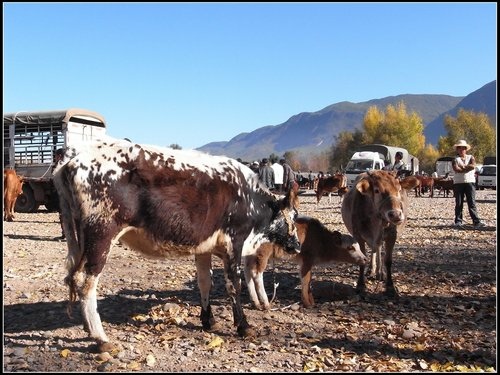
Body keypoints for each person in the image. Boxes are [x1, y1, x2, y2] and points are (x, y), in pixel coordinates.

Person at [451, 140, 485, 229]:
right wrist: (467, 168)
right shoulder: (454, 159)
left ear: (466, 149)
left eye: (463, 148)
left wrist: (462, 168)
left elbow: (473, 166)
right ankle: (458, 221)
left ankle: (476, 221)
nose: (461, 150)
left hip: (470, 182)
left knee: (472, 202)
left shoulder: (471, 157)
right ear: (457, 150)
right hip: (458, 183)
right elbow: (456, 169)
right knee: (459, 203)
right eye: (460, 148)